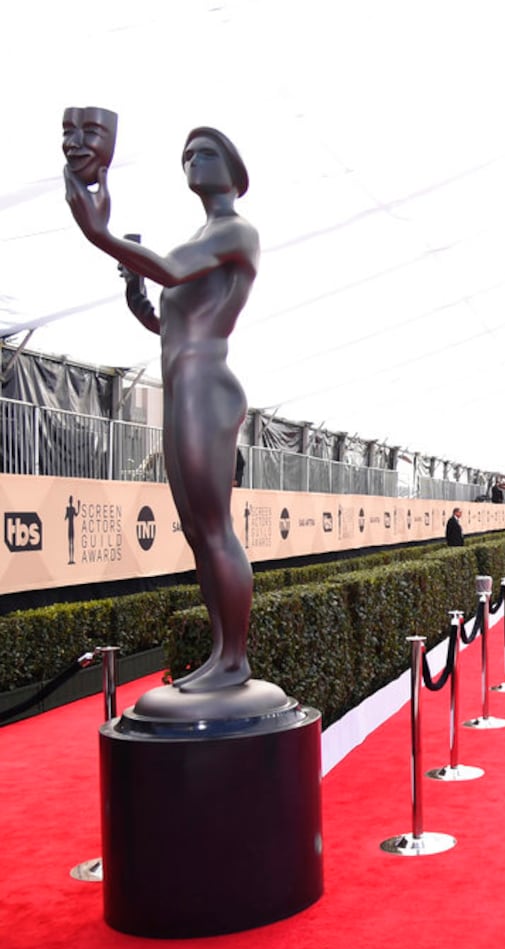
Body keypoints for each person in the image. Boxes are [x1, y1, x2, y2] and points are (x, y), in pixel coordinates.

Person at [65, 126, 261, 692]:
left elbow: (172, 271)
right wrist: (136, 294)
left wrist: (98, 232)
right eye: (187, 156)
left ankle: (234, 659)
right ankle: (223, 653)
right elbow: (168, 324)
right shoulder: (202, 240)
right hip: (182, 386)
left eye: (205, 154)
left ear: (232, 171)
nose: (192, 162)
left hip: (206, 389)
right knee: (197, 529)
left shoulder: (234, 232)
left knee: (215, 527)